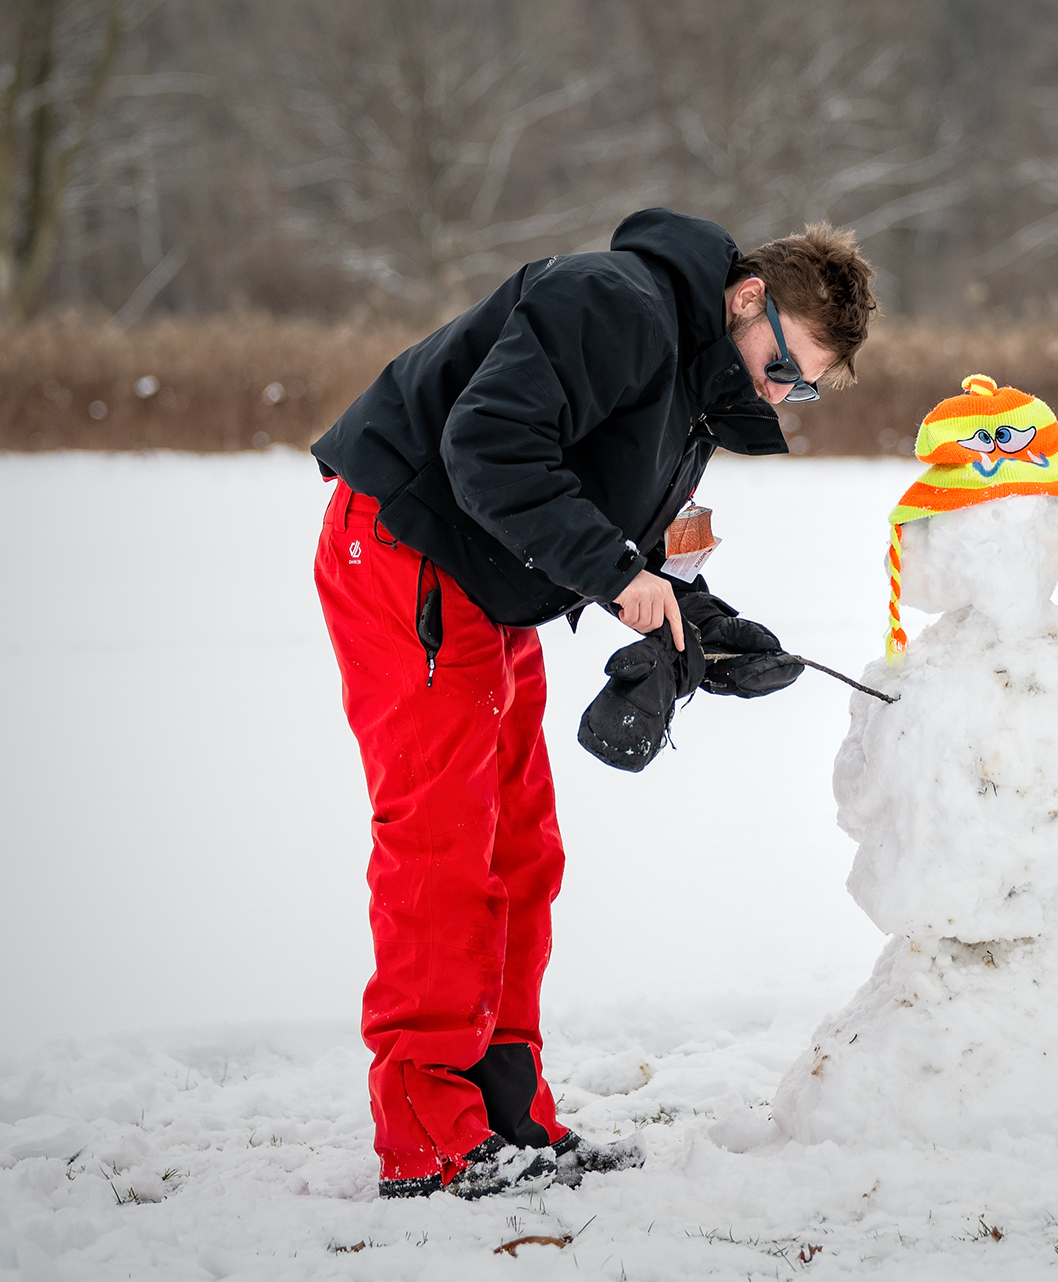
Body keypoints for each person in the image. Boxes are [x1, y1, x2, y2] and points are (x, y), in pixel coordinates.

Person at [310, 209, 879, 1198]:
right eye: (786, 366)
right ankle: (426, 1129)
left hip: (485, 590)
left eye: (804, 387)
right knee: (443, 846)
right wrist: (620, 579)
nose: (784, 392)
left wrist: (702, 622)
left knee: (520, 852)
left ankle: (506, 1107)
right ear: (748, 299)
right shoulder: (614, 305)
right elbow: (487, 449)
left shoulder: (698, 385)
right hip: (406, 553)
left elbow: (614, 517)